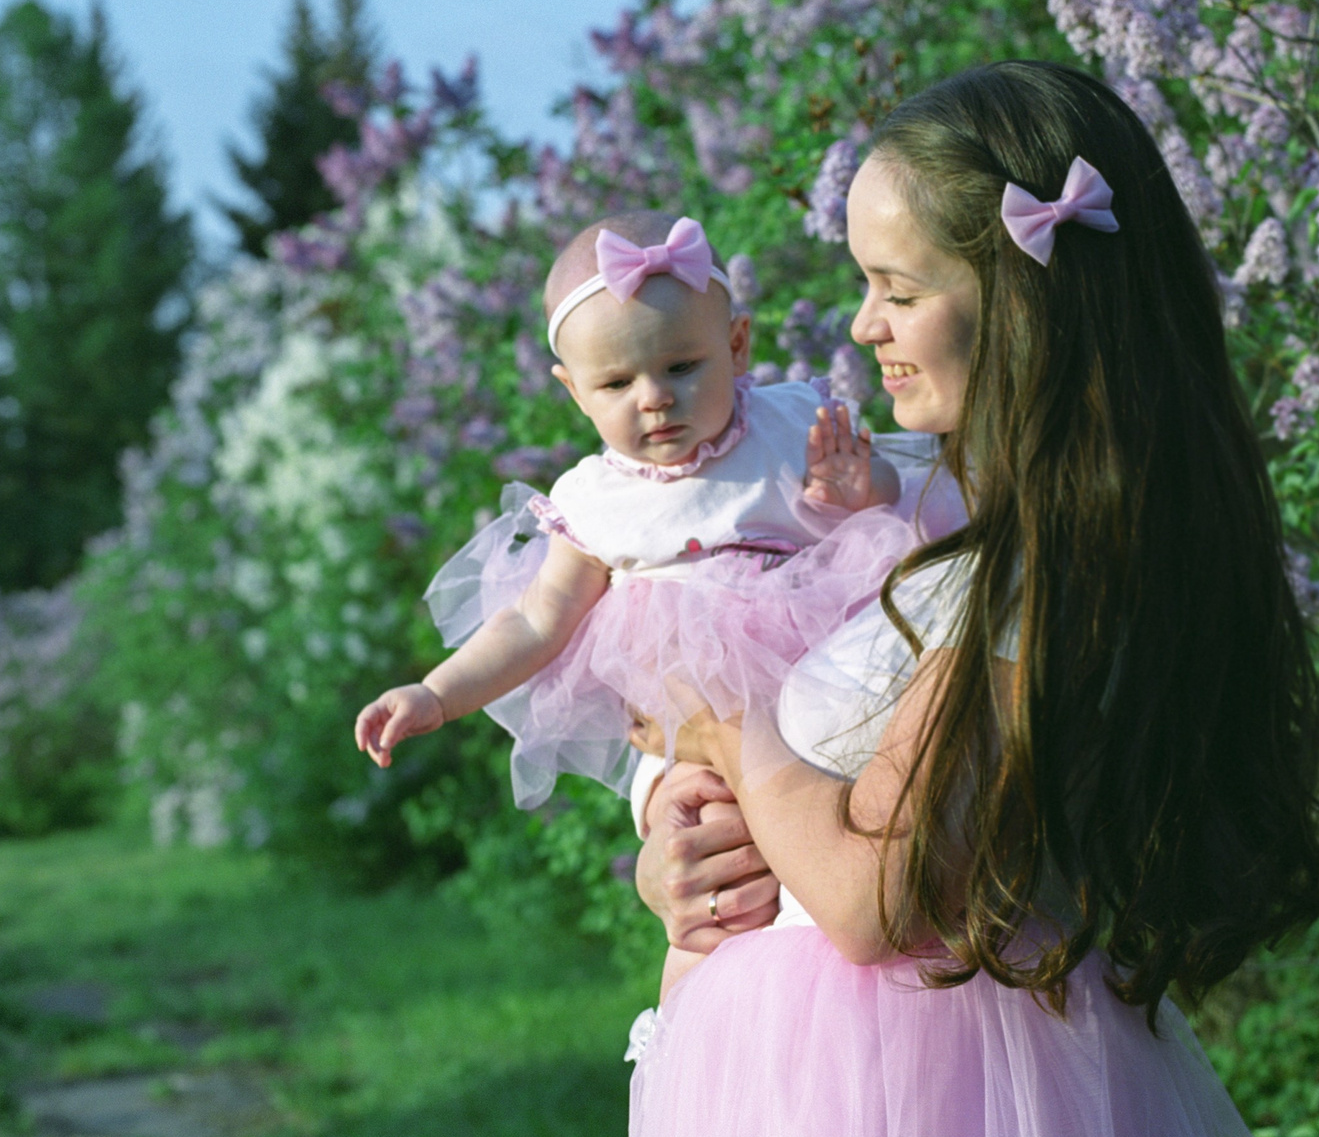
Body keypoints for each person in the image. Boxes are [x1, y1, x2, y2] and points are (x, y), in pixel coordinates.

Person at [619, 63, 1319, 1137]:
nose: (863, 325)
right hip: (887, 1118)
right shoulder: (987, 532)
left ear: (1023, 300)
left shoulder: (1043, 568)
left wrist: (730, 725)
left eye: (898, 285)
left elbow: (871, 895)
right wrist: (686, 851)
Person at [356, 211, 966, 1003]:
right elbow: (536, 620)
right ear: (573, 390)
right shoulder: (595, 502)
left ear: (738, 346)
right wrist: (437, 692)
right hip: (689, 735)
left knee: (839, 837)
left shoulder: (790, 424)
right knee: (718, 865)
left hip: (825, 698)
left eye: (682, 366)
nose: (655, 399)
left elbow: (895, 519)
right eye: (616, 384)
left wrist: (862, 490)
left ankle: (851, 962)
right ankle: (712, 1009)